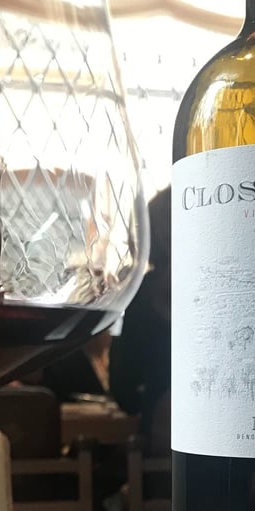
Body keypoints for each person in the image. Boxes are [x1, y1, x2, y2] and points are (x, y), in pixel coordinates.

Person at [109, 186, 171, 454]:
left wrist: (146, 400)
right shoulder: (234, 285)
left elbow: (122, 387)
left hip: (159, 447)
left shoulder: (139, 293)